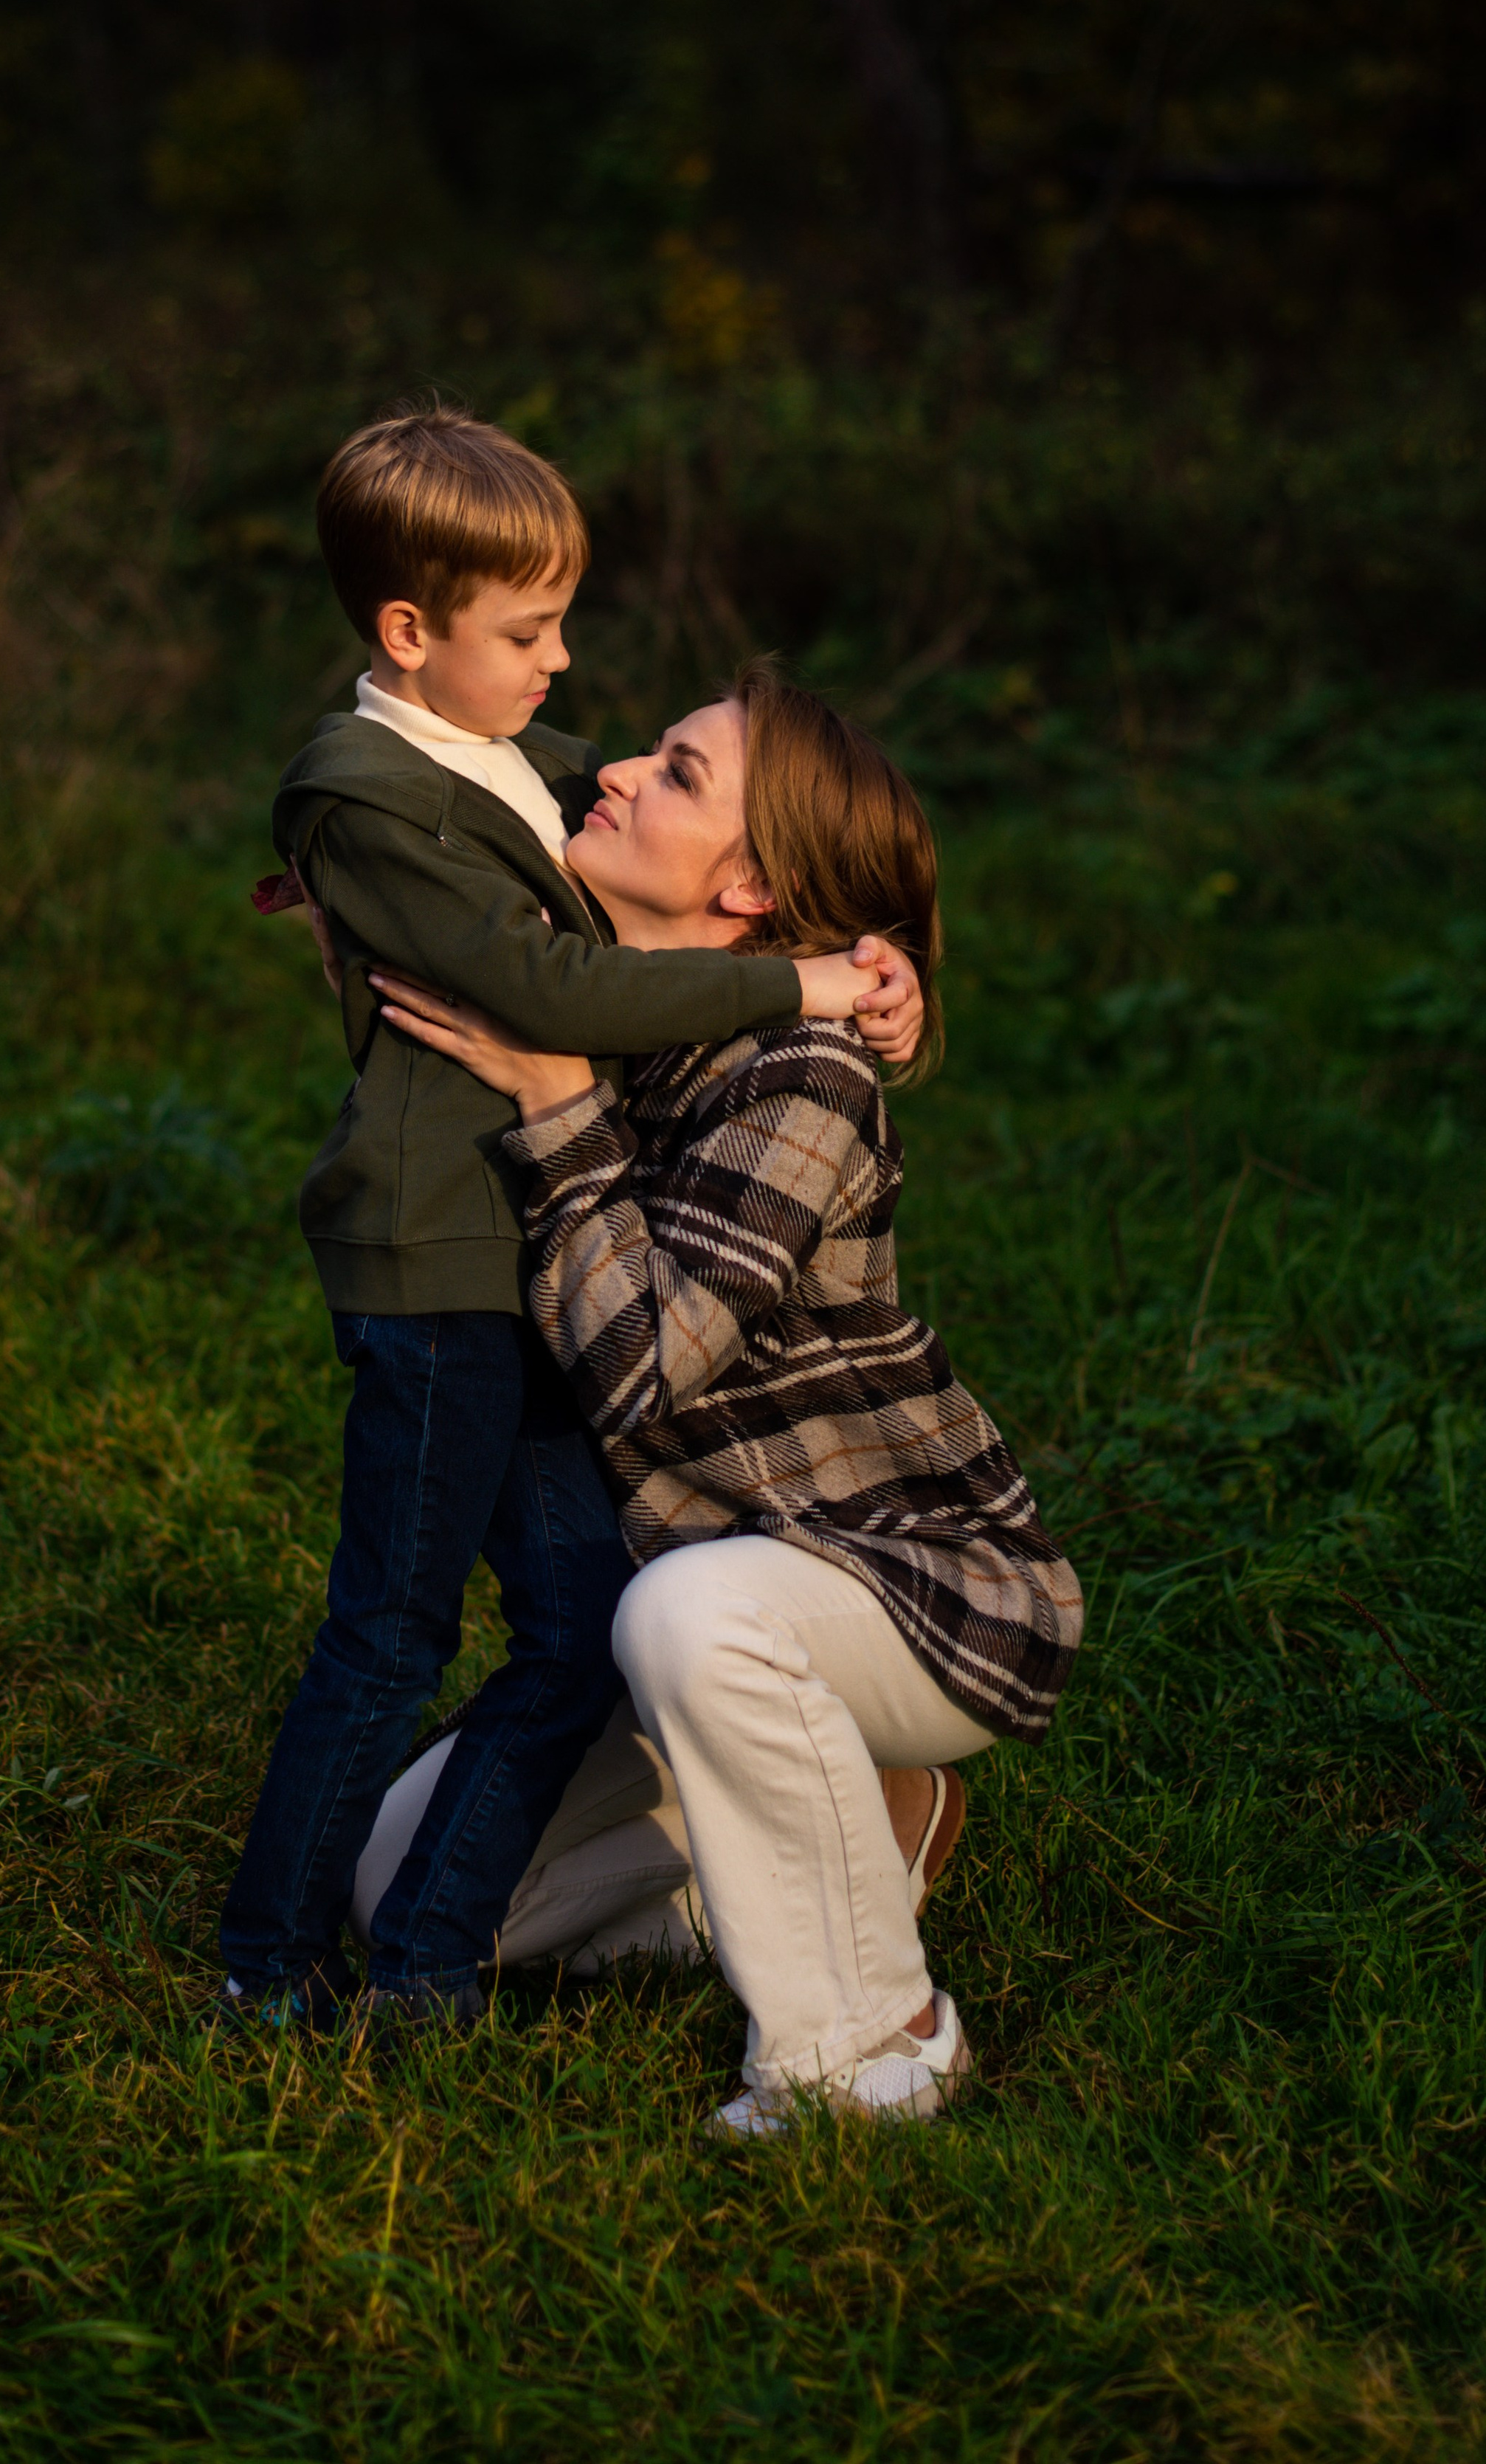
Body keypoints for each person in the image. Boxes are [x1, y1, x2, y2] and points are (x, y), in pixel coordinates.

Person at [215, 410, 925, 2033]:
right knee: (389, 1629)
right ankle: (267, 1970)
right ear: (410, 633)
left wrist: (857, 951)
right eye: (526, 632)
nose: (562, 668)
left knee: (577, 1621)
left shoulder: (488, 766)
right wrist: (799, 973)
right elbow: (549, 979)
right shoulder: (363, 787)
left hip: (517, 1270)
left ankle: (425, 1965)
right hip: (438, 1267)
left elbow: (615, 843)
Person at [362, 664, 1083, 2132]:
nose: (618, 771)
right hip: (701, 1587)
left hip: (900, 1581)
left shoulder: (803, 1073)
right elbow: (437, 746)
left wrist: (555, 1097)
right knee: (389, 1883)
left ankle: (868, 2044)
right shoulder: (575, 974)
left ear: (749, 887)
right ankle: (841, 1836)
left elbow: (639, 1371)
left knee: (691, 1616)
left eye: (676, 774)